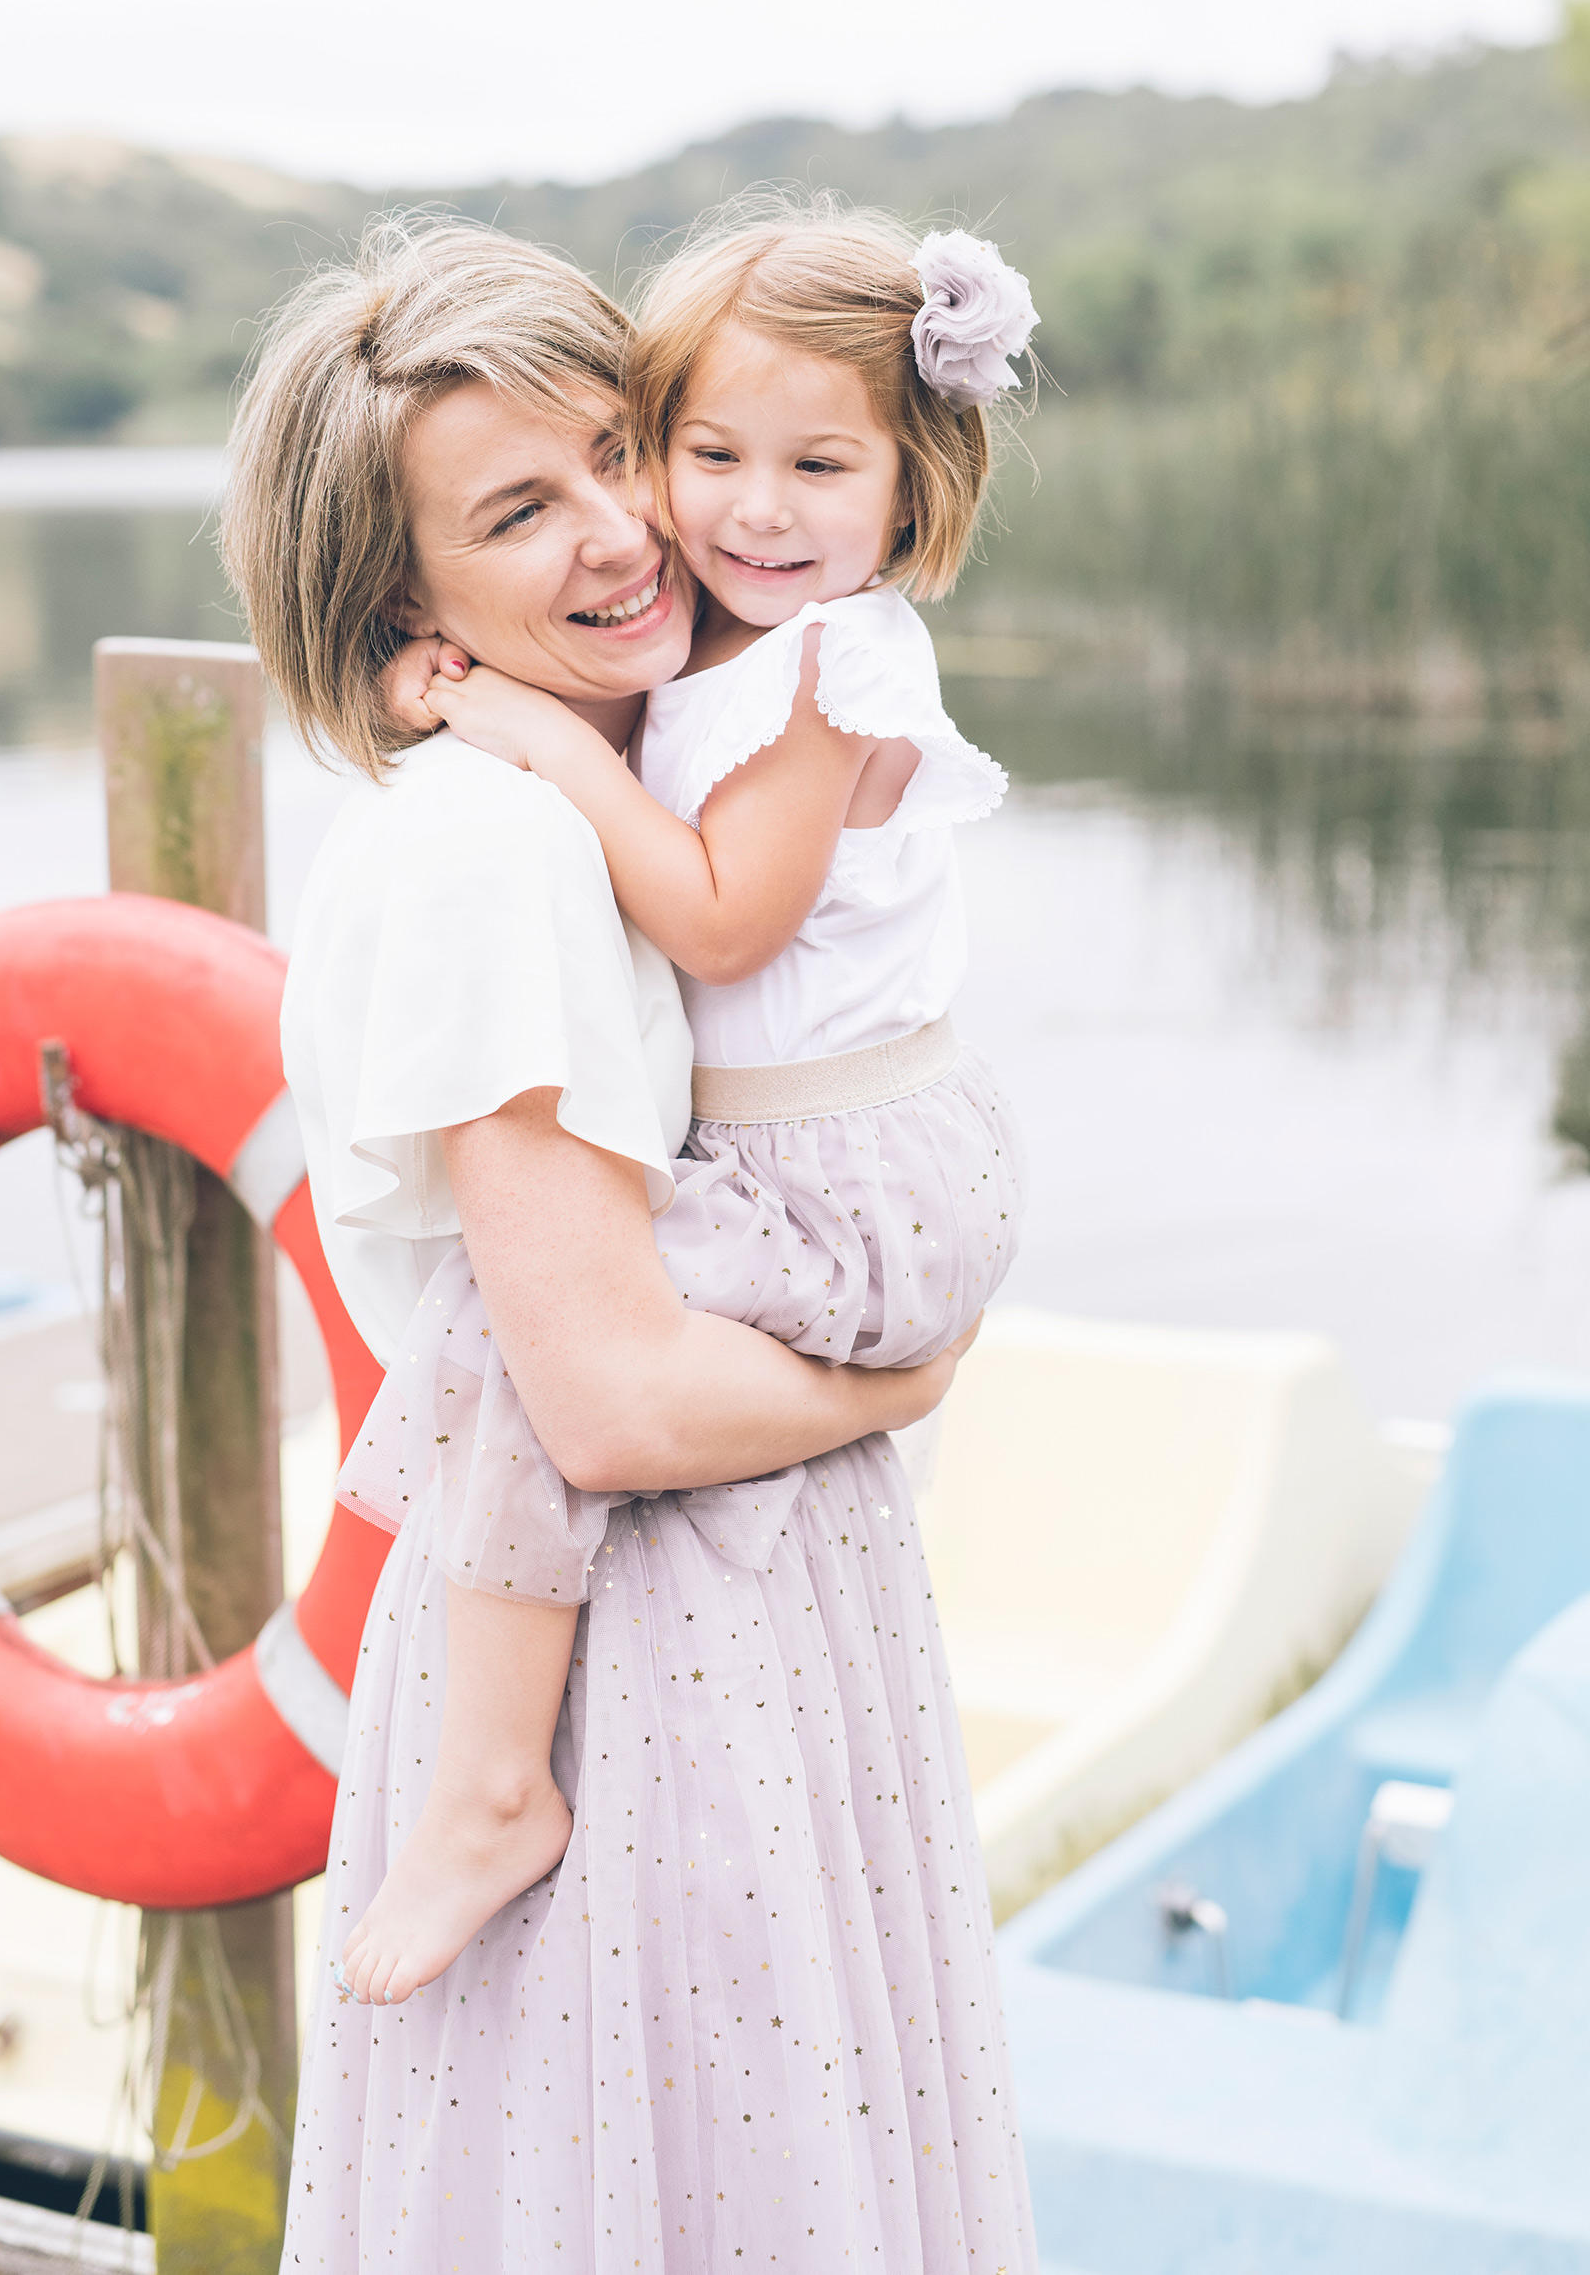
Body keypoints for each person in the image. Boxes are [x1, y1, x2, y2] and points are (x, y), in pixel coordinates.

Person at [224, 215, 1036, 2270]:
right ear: (399, 593)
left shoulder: (670, 728)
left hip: (719, 1603)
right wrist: (915, 1370)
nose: (628, 530)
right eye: (520, 507)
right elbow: (598, 1396)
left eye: (615, 447)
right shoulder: (508, 843)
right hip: (640, 1664)